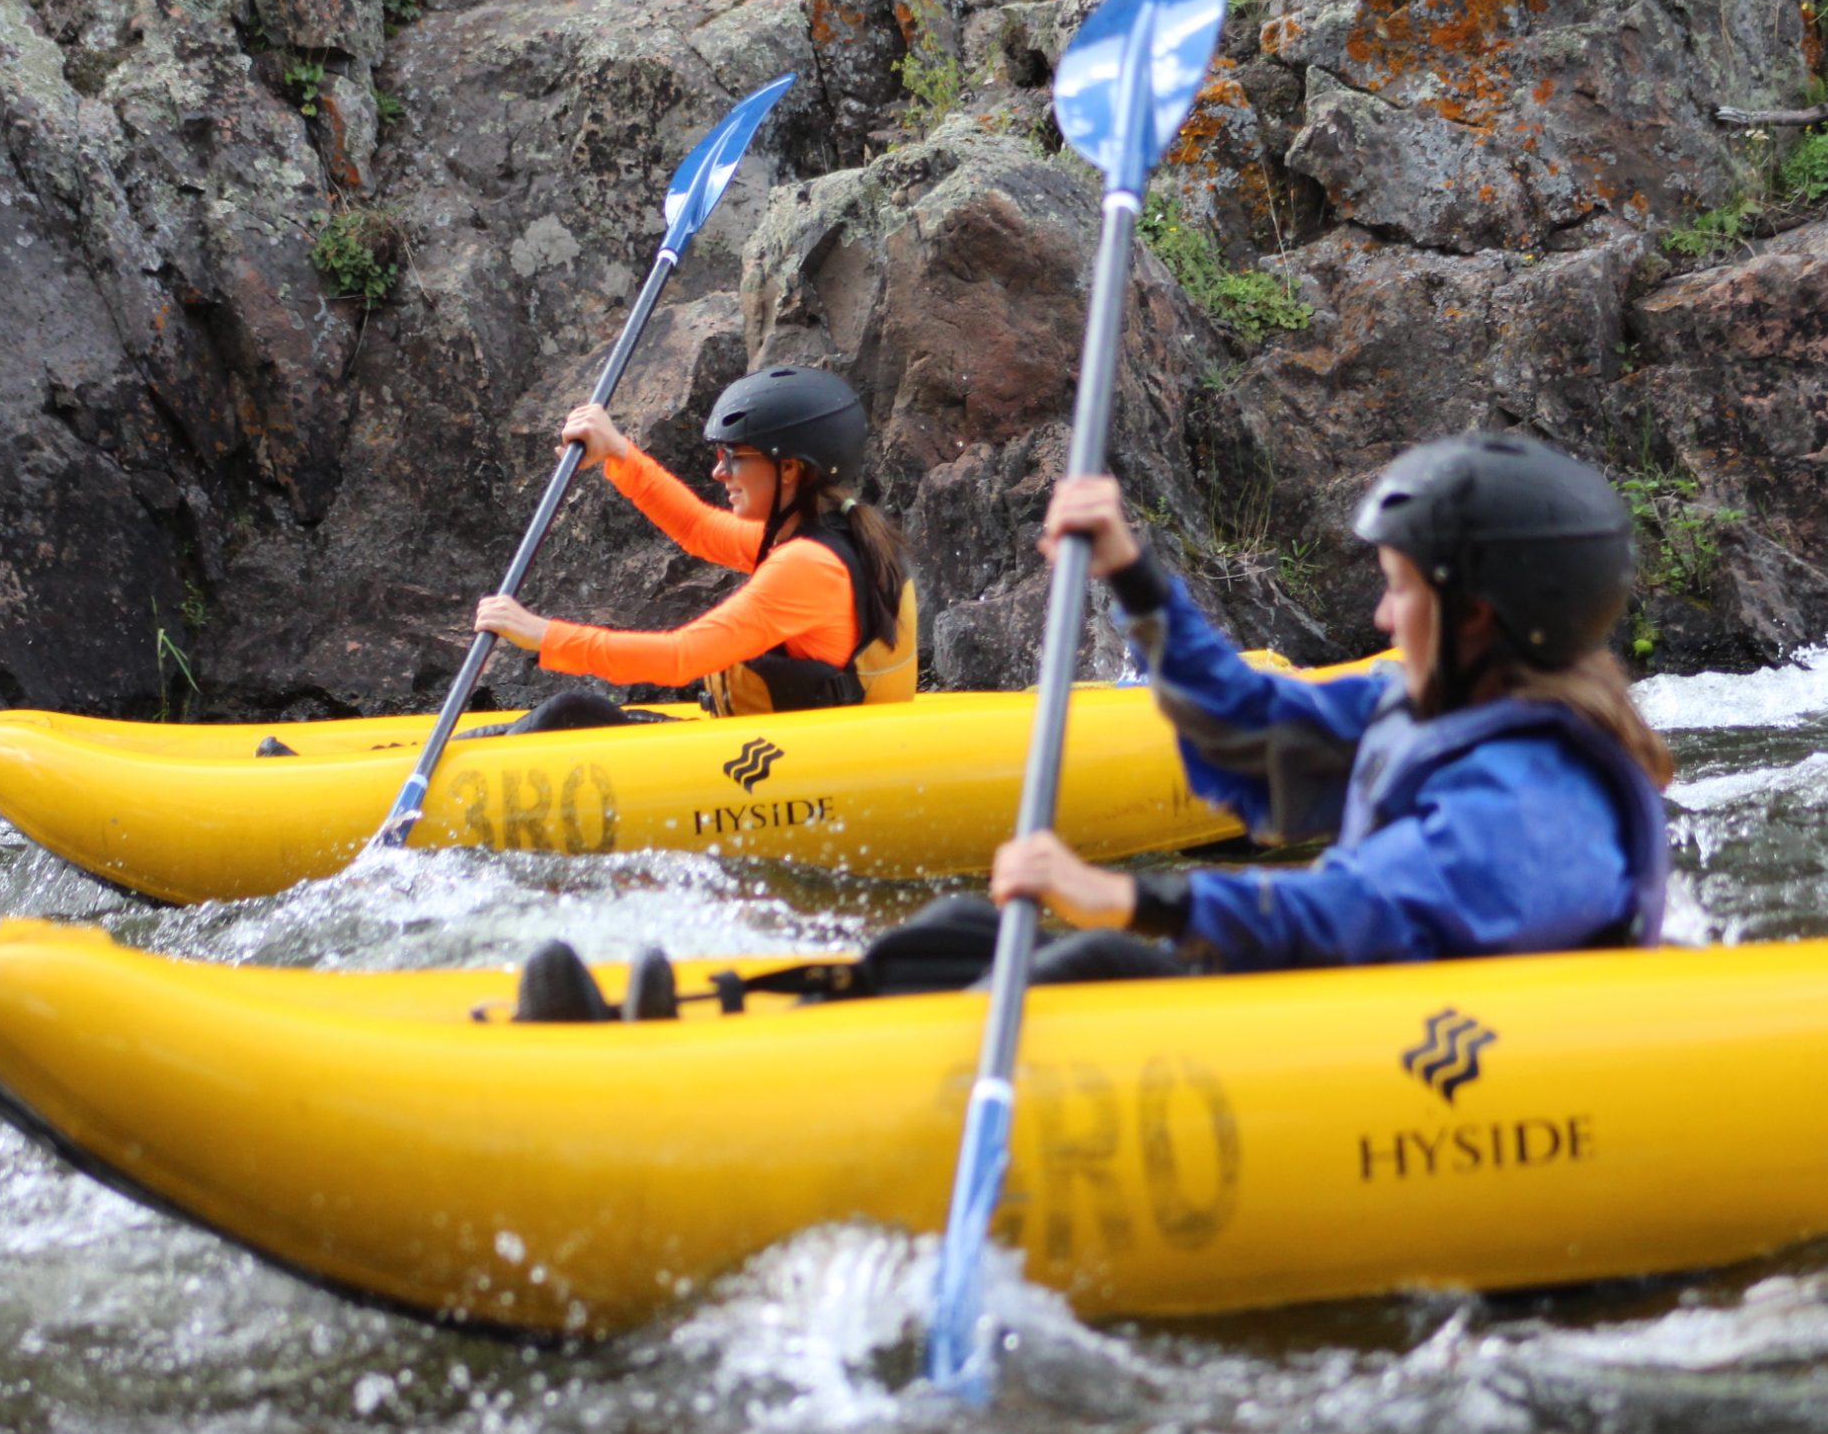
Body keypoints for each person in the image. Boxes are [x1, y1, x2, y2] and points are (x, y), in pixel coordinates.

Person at [509, 431, 1668, 1022]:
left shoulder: (1539, 796)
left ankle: (761, 1084)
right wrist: (1131, 573)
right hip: (1339, 1000)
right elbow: (1250, 716)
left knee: (1098, 959)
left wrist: (1140, 896)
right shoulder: (1416, 704)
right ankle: (754, 1011)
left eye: (1400, 590)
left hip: (1411, 1047)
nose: (1376, 614)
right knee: (971, 931)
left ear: (1479, 615)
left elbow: (1366, 908)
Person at [463, 366, 918, 739]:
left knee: (567, 712)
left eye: (734, 456)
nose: (719, 472)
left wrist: (540, 634)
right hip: (798, 739)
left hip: (800, 759)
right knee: (572, 716)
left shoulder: (807, 567)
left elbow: (681, 656)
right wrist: (618, 453)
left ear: (790, 469)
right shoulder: (832, 534)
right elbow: (697, 528)